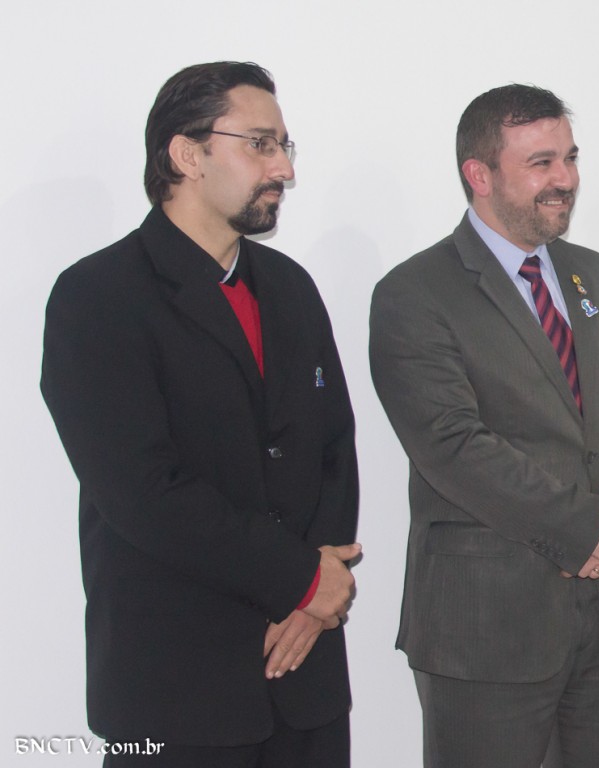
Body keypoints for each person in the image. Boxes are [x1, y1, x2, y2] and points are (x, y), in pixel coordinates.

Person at [41, 61, 360, 768]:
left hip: (305, 682)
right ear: (187, 155)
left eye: (284, 146)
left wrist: (317, 595)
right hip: (177, 689)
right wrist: (300, 578)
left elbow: (334, 449)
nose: (284, 169)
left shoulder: (291, 287)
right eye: (260, 144)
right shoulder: (97, 296)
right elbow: (143, 493)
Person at [369, 84, 599, 768]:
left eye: (570, 157)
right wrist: (585, 529)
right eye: (541, 163)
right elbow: (452, 446)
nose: (565, 179)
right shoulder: (414, 295)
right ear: (479, 175)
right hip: (486, 631)